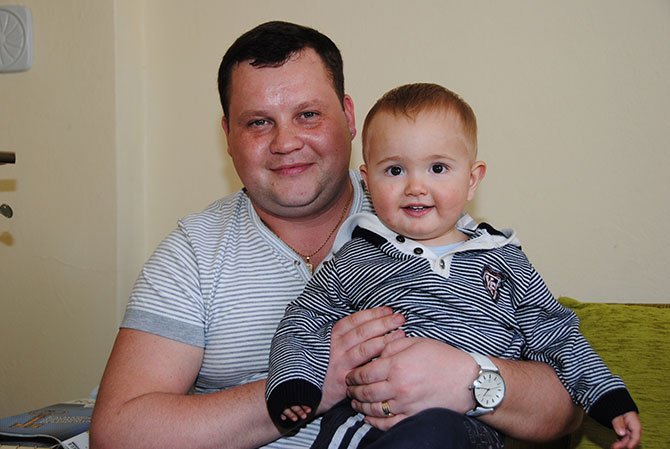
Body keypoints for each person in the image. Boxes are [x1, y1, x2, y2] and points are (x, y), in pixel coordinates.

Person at [90, 21, 583, 449]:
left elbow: (568, 407)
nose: (286, 143)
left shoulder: (427, 218)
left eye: (308, 115)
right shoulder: (193, 254)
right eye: (258, 122)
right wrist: (310, 386)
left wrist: (471, 380)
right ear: (228, 136)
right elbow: (118, 432)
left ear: (348, 117)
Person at [266, 83, 641, 449]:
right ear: (368, 181)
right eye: (395, 171)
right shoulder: (357, 257)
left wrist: (607, 397)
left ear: (472, 179)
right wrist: (294, 381)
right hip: (368, 424)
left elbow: (557, 335)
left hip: (471, 431)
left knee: (441, 432)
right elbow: (302, 320)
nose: (416, 186)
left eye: (438, 167)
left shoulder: (504, 259)